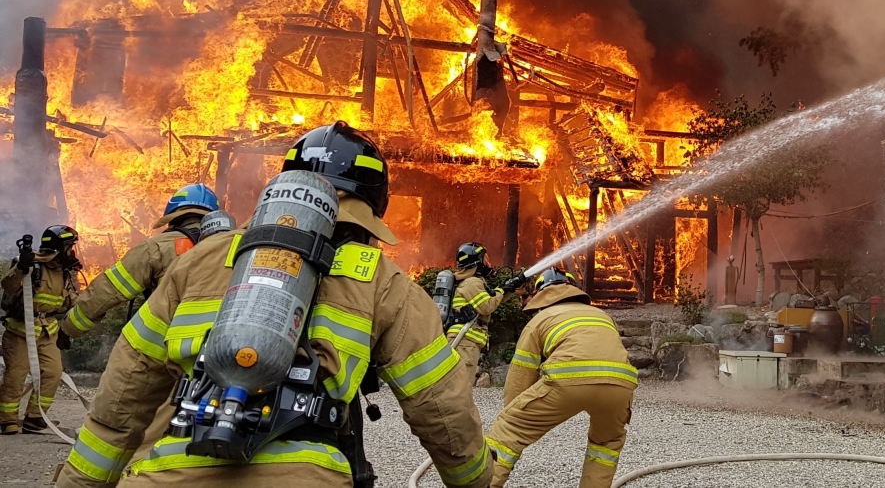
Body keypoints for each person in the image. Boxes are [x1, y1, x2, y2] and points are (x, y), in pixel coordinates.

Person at [57, 121, 491, 488]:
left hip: (171, 470)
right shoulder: (381, 279)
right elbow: (441, 408)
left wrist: (81, 482)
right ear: (375, 204)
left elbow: (122, 397)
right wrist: (474, 479)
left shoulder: (202, 258)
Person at [485, 268, 637, 488]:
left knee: (507, 430)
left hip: (567, 382)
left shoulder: (540, 319)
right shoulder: (602, 315)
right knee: (606, 444)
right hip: (620, 385)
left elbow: (521, 373)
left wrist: (514, 413)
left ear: (542, 294)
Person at [59, 184, 219, 342]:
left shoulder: (155, 248)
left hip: (168, 342)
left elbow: (108, 291)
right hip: (223, 342)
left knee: (124, 359)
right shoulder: (230, 245)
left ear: (174, 214)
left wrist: (69, 328)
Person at [0, 226, 79, 435]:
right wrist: (21, 267)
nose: (72, 252)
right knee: (15, 375)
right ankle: (6, 420)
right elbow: (8, 285)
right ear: (61, 248)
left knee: (53, 372)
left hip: (48, 331)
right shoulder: (30, 265)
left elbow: (72, 302)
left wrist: (69, 330)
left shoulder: (65, 272)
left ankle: (35, 418)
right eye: (70, 247)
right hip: (20, 332)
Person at [448, 243, 514, 383]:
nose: (488, 263)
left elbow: (492, 300)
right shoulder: (472, 283)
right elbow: (487, 306)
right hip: (464, 340)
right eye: (485, 259)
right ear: (477, 262)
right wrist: (501, 290)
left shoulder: (472, 282)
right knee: (461, 386)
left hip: (465, 340)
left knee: (460, 386)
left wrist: (509, 288)